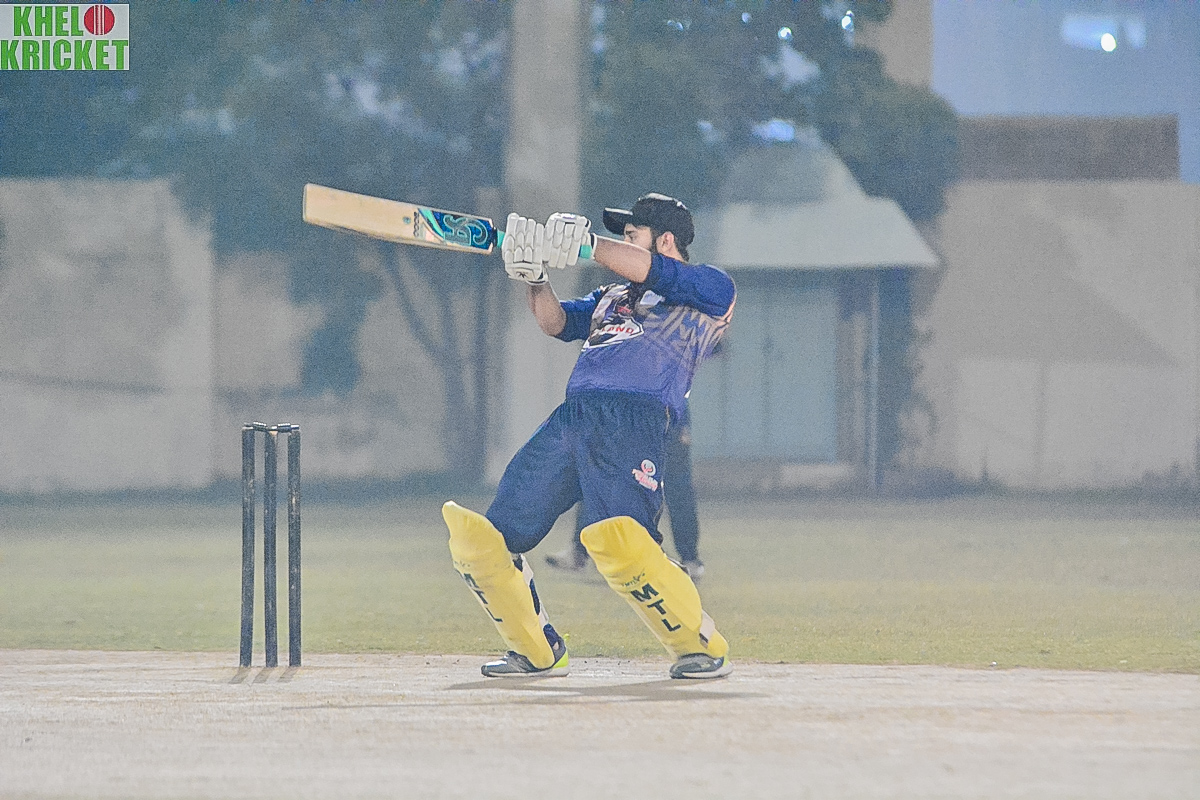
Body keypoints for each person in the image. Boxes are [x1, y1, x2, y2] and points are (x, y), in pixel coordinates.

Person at [441, 193, 735, 680]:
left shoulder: (709, 287)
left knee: (625, 544)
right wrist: (535, 277)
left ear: (666, 240)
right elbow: (556, 323)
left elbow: (654, 271)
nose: (625, 241)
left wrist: (588, 245)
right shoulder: (612, 297)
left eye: (633, 234)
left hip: (636, 419)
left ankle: (698, 646)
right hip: (574, 417)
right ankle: (537, 651)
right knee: (489, 541)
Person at [545, 398, 706, 580]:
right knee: (600, 474)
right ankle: (580, 550)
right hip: (626, 408)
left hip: (667, 409)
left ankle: (689, 557)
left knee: (676, 483)